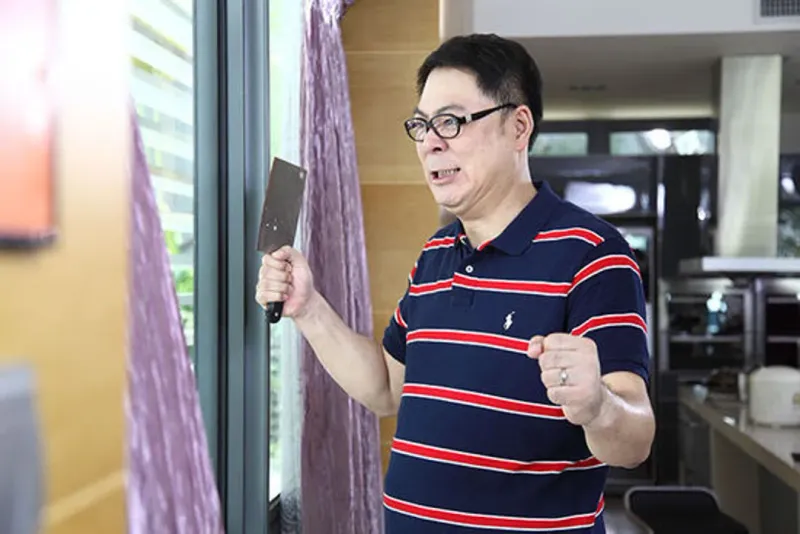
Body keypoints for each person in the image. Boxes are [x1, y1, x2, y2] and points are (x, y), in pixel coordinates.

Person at [256, 33, 655, 534]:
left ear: (518, 126)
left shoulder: (594, 253)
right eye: (421, 125)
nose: (430, 142)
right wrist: (309, 307)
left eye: (451, 121)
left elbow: (635, 441)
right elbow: (386, 388)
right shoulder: (436, 254)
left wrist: (596, 404)